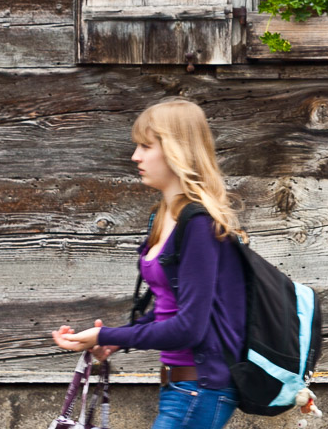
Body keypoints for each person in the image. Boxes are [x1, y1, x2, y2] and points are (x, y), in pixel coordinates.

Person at [53, 98, 247, 429]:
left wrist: (106, 335)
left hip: (199, 388)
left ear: (177, 150)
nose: (135, 157)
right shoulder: (163, 217)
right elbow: (169, 308)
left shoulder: (199, 223)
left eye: (146, 146)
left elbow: (190, 327)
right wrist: (114, 337)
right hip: (180, 386)